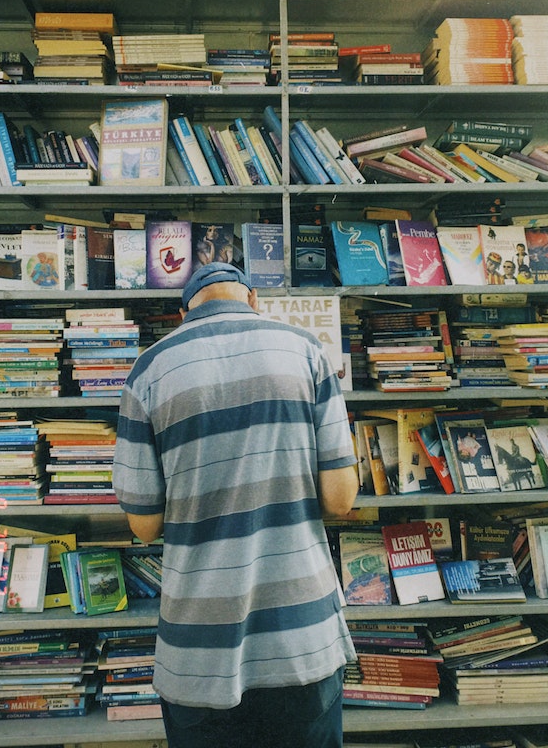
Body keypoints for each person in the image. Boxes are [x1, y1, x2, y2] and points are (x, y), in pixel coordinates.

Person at [113, 262, 358, 748]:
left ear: (183, 312)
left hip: (199, 650)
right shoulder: (306, 350)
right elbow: (340, 499)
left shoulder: (149, 370)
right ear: (253, 300)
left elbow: (144, 526)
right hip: (300, 640)